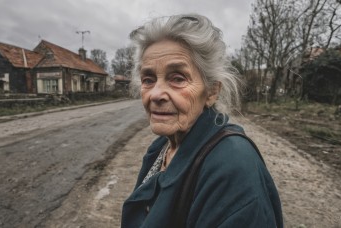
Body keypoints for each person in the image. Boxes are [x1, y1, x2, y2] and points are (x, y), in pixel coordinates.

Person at [121, 14, 283, 228]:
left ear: (212, 92)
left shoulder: (233, 168)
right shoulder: (162, 146)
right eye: (148, 80)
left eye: (177, 78)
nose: (155, 94)